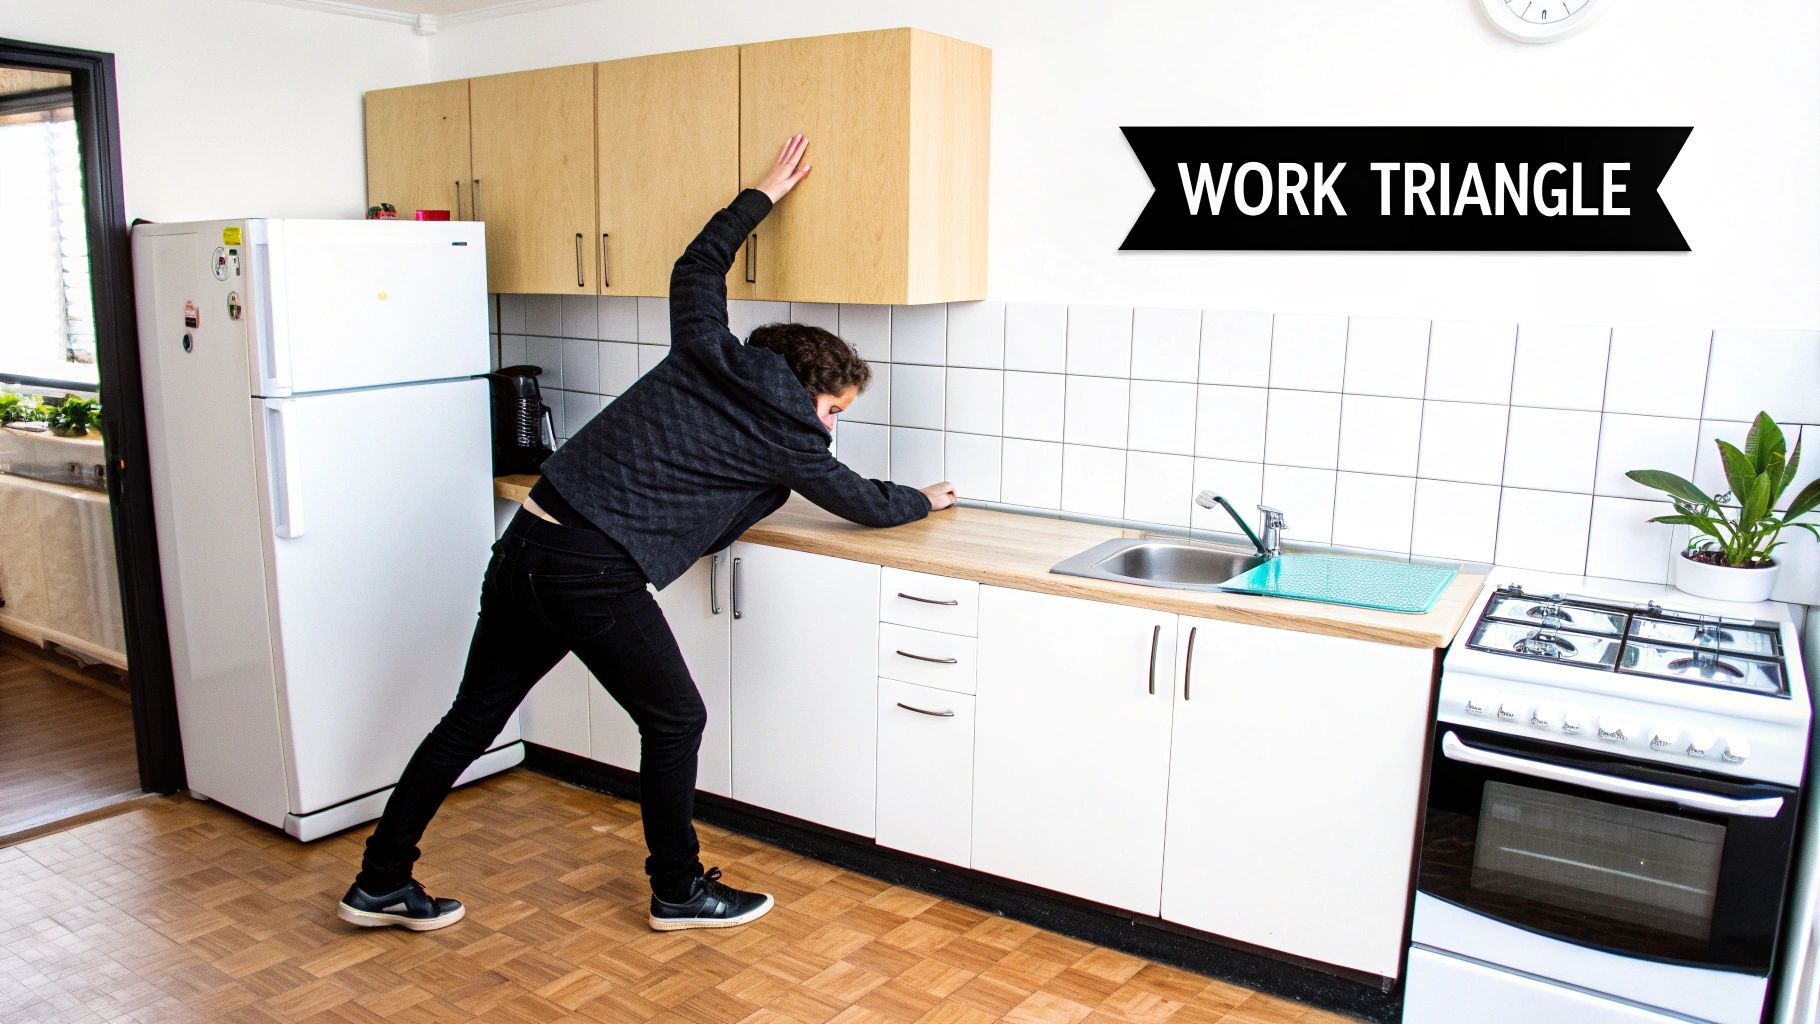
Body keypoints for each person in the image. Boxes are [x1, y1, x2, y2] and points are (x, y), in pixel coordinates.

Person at [336, 133, 957, 933]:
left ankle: (381, 879)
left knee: (472, 715)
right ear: (809, 391)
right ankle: (678, 889)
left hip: (526, 542)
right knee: (676, 721)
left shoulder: (705, 348)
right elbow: (864, 502)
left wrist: (761, 192)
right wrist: (925, 498)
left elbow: (697, 267)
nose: (832, 426)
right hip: (592, 571)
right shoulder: (792, 436)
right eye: (835, 409)